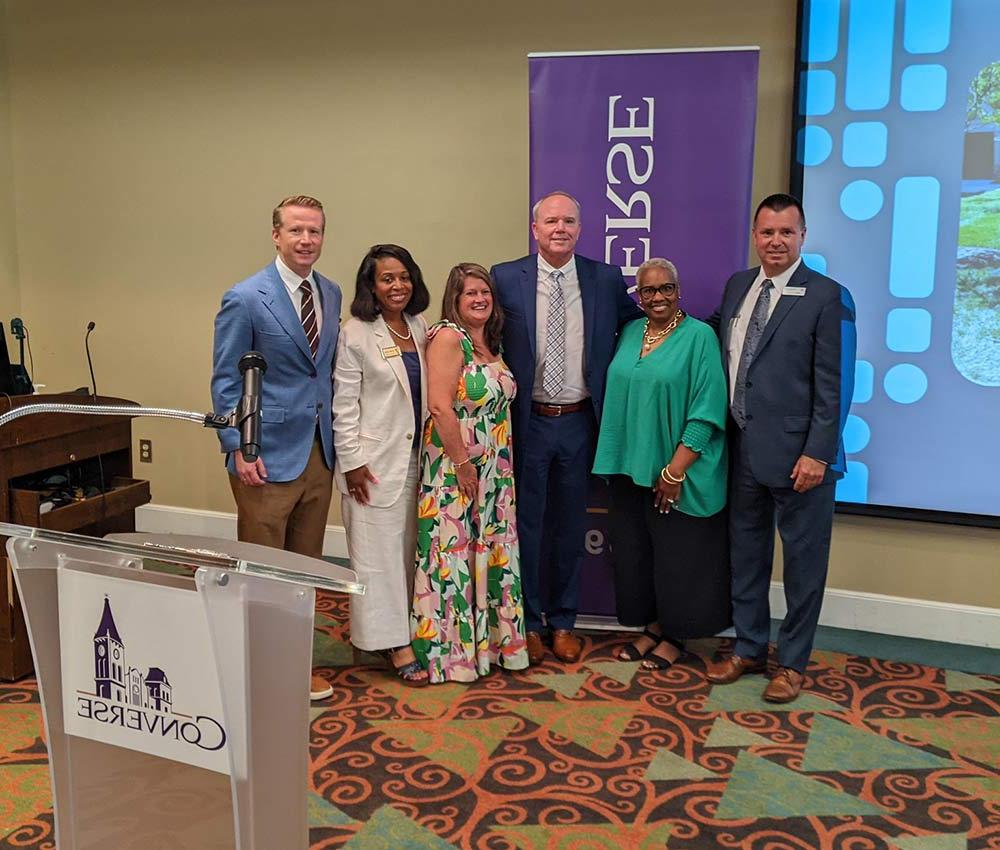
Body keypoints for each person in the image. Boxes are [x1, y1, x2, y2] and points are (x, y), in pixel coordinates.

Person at [706, 193, 856, 703]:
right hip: (742, 449)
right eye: (767, 232)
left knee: (803, 564)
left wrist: (819, 452)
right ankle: (748, 648)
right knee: (745, 556)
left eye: (786, 233)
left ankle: (791, 664)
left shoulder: (828, 296)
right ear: (755, 235)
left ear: (803, 237)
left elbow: (836, 385)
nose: (776, 241)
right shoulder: (737, 287)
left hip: (800, 460)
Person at [491, 191, 642, 666]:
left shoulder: (604, 278)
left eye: (569, 221)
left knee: (571, 527)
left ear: (580, 229)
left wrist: (689, 340)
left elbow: (641, 327)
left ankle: (563, 622)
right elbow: (479, 330)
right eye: (551, 221)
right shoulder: (504, 278)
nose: (560, 228)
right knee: (527, 527)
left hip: (579, 424)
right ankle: (530, 623)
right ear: (535, 229)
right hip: (527, 424)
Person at [211, 194, 342, 701]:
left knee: (303, 567)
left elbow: (322, 372)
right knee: (263, 569)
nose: (306, 240)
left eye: (315, 231)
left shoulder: (329, 292)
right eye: (296, 231)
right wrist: (239, 445)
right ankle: (257, 669)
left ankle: (294, 662)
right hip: (262, 451)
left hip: (317, 451)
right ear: (276, 236)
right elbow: (226, 380)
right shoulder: (244, 297)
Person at [593, 258, 731, 669]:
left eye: (666, 288)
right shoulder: (630, 332)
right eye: (648, 290)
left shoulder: (699, 336)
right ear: (639, 295)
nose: (657, 297)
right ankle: (652, 627)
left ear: (678, 290)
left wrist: (675, 470)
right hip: (628, 468)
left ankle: (675, 635)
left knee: (677, 556)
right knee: (638, 555)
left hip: (673, 472)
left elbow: (707, 409)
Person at [410, 263, 529, 683]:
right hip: (455, 469)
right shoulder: (448, 337)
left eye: (485, 292)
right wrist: (462, 465)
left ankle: (492, 646)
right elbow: (440, 407)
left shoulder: (489, 342)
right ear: (454, 300)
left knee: (489, 550)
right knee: (454, 556)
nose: (479, 299)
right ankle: (451, 654)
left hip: (495, 472)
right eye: (469, 294)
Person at [333, 244, 430, 686]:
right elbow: (344, 406)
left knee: (409, 551)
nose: (398, 285)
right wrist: (351, 462)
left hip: (417, 459)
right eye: (387, 278)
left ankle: (401, 630)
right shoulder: (355, 332)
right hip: (371, 463)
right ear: (371, 286)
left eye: (404, 276)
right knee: (377, 557)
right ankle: (394, 644)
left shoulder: (419, 326)